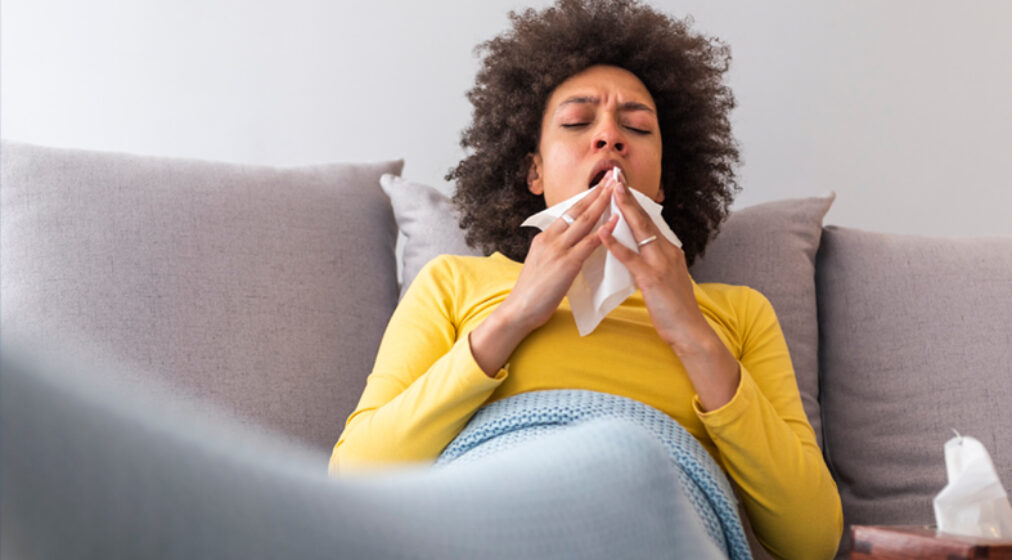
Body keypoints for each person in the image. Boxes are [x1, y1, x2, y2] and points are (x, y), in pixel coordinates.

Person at [329, 0, 843, 557]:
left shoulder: (738, 313)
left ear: (664, 182)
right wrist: (516, 315)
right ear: (534, 172)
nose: (609, 138)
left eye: (637, 127)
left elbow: (812, 540)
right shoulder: (452, 284)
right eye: (578, 122)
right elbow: (356, 478)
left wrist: (691, 334)